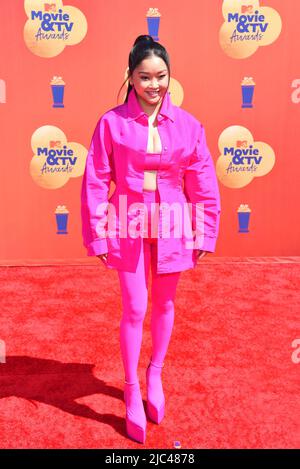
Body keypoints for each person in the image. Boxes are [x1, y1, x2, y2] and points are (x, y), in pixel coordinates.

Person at [81, 34, 221, 444]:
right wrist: (99, 234)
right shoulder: (111, 123)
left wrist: (204, 228)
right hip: (126, 219)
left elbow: (204, 182)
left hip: (174, 221)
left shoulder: (189, 126)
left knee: (164, 302)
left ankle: (154, 372)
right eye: (145, 77)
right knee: (135, 306)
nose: (154, 85)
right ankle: (129, 387)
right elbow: (95, 181)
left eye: (161, 76)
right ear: (130, 77)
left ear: (170, 77)